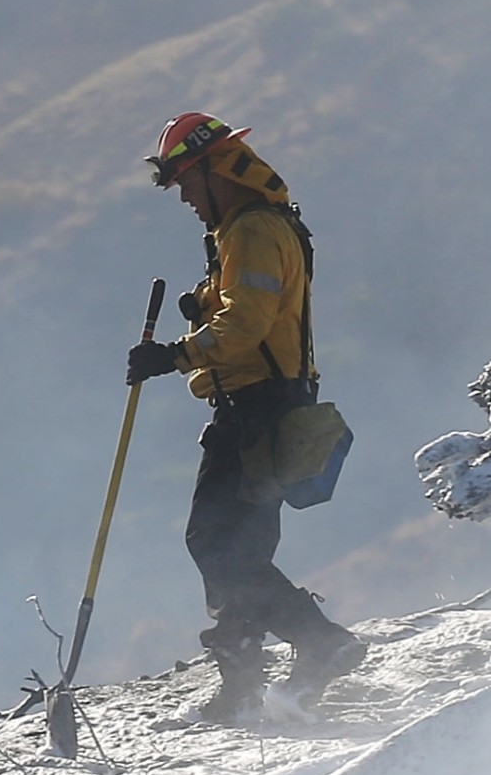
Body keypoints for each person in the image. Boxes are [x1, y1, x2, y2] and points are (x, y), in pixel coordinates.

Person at [126, 112, 366, 724]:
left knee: (215, 542)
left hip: (255, 408)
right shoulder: (252, 226)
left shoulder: (253, 231)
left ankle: (319, 643)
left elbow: (246, 325)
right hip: (266, 403)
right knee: (238, 544)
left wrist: (175, 354)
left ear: (214, 170)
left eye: (185, 180)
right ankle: (241, 690)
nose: (182, 196)